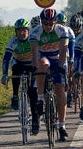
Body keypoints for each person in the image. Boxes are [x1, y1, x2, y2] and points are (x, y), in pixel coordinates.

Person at [29, 8, 69, 141]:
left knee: (60, 89)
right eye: (45, 23)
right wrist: (35, 68)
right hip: (44, 57)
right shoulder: (35, 32)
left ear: (55, 22)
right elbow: (34, 52)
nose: (48, 26)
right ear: (41, 22)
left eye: (50, 23)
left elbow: (63, 49)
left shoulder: (62, 30)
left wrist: (61, 68)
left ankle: (62, 126)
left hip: (58, 58)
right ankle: (40, 99)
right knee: (42, 65)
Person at [0, 18, 40, 134]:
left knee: (33, 94)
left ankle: (35, 121)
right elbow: (6, 58)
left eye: (24, 30)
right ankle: (15, 96)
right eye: (19, 31)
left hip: (31, 65)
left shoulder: (33, 39)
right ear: (15, 32)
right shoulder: (13, 41)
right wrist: (4, 74)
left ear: (29, 31)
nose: (22, 33)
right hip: (19, 64)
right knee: (15, 70)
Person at [57, 12, 76, 107]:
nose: (61, 25)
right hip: (56, 54)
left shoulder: (69, 31)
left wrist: (71, 59)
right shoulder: (54, 30)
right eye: (59, 23)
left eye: (63, 23)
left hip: (66, 53)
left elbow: (71, 47)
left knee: (69, 73)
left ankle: (69, 94)